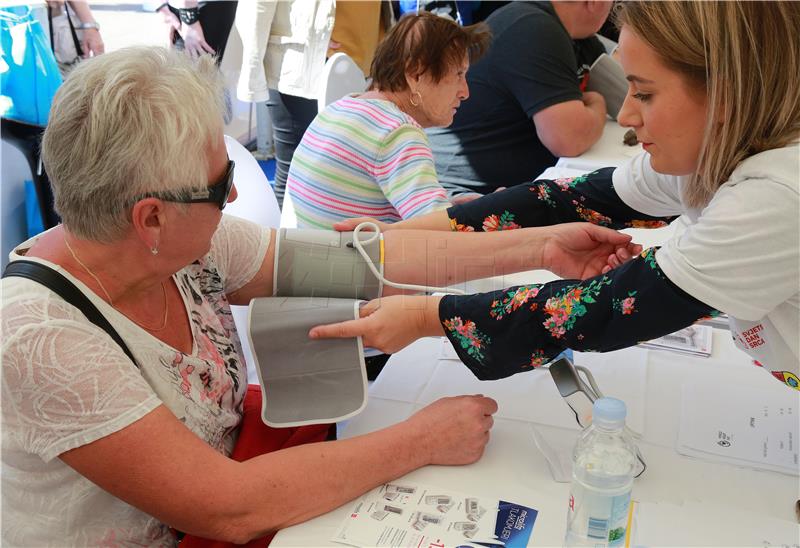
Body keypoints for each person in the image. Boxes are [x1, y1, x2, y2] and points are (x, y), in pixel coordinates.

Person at [0, 46, 641, 546]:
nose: (232, 197)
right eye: (219, 182)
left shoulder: (182, 247)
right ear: (150, 218)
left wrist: (537, 247)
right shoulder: (41, 339)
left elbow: (364, 263)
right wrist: (420, 439)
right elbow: (228, 506)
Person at [311, 1, 800, 391]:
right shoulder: (716, 152)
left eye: (645, 94)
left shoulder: (775, 198)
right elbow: (564, 199)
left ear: (728, 94)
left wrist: (424, 316)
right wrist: (401, 232)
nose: (626, 114)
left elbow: (608, 307)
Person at [285, 11, 490, 229]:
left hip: (313, 257)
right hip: (357, 261)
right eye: (459, 74)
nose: (465, 92)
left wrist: (452, 206)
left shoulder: (342, 108)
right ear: (415, 74)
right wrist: (495, 209)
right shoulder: (397, 132)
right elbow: (443, 236)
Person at [425, 0, 611, 199]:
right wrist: (597, 101)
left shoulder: (574, 34)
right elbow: (569, 139)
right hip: (456, 194)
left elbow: (629, 92)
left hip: (497, 190)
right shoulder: (533, 27)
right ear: (595, 2)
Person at [236, 1, 391, 207]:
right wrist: (252, 73)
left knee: (349, 173)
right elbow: (256, 6)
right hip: (307, 64)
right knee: (296, 171)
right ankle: (286, 239)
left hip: (366, 65)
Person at [156, 1, 238, 64]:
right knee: (191, 77)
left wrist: (162, 6)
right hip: (196, 11)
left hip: (189, 9)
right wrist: (189, 17)